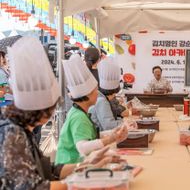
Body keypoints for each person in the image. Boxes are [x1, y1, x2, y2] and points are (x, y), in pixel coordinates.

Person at [0, 37, 115, 190]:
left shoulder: (23, 130)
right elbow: (33, 187)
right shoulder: (12, 134)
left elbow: (49, 171)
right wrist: (79, 183)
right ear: (40, 110)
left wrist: (85, 166)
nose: (53, 112)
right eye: (51, 108)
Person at [55, 54, 128, 165]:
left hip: (81, 164)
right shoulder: (78, 117)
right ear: (87, 95)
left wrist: (112, 133)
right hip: (71, 168)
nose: (98, 94)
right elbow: (82, 147)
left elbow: (90, 135)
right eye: (95, 91)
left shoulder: (80, 112)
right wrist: (110, 139)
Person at [89, 58, 135, 131]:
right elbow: (109, 126)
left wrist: (123, 121)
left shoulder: (102, 97)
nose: (115, 97)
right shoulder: (102, 101)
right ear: (113, 92)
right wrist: (124, 122)